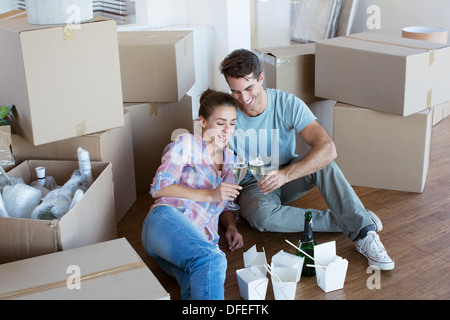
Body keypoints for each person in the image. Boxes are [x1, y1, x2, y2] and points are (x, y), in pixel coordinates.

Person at [219, 49, 394, 271]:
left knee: (324, 161)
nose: (243, 99)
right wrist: (230, 226)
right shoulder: (226, 113)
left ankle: (364, 233)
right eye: (235, 92)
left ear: (261, 78)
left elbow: (327, 148)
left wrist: (285, 175)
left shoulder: (287, 103)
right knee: (262, 218)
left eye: (249, 88)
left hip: (288, 173)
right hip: (254, 186)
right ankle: (352, 219)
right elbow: (217, 176)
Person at [141, 89, 244, 300]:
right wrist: (210, 195)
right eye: (221, 123)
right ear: (203, 121)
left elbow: (226, 204)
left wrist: (231, 227)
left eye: (232, 123)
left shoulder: (232, 159)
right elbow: (159, 188)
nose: (227, 130)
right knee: (213, 261)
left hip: (200, 242)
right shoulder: (186, 144)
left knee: (197, 283)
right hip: (166, 220)